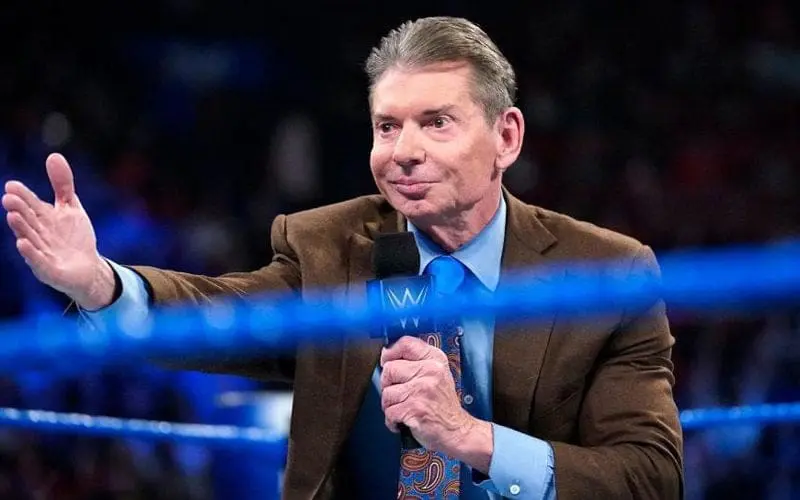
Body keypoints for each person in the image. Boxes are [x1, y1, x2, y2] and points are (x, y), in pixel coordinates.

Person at [2, 16, 683, 500]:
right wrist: (99, 283)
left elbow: (651, 479)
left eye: (436, 122)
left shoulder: (607, 273)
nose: (403, 151)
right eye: (387, 126)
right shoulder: (330, 247)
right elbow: (219, 314)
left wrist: (469, 437)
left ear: (506, 137)